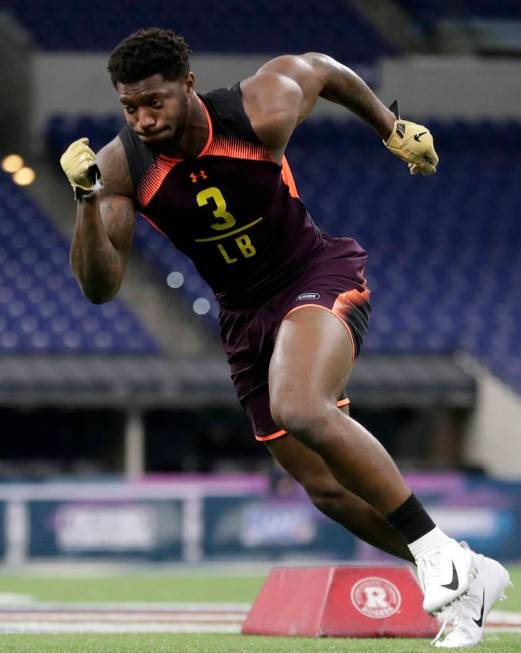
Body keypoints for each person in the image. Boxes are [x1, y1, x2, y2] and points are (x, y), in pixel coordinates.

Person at [60, 27, 510, 647]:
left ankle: (436, 552)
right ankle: (464, 574)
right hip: (243, 316)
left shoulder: (259, 108)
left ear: (188, 85)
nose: (142, 119)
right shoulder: (122, 167)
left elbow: (322, 67)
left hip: (314, 274)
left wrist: (389, 127)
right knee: (324, 488)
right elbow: (99, 287)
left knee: (299, 405)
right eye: (129, 107)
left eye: (155, 101)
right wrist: (86, 200)